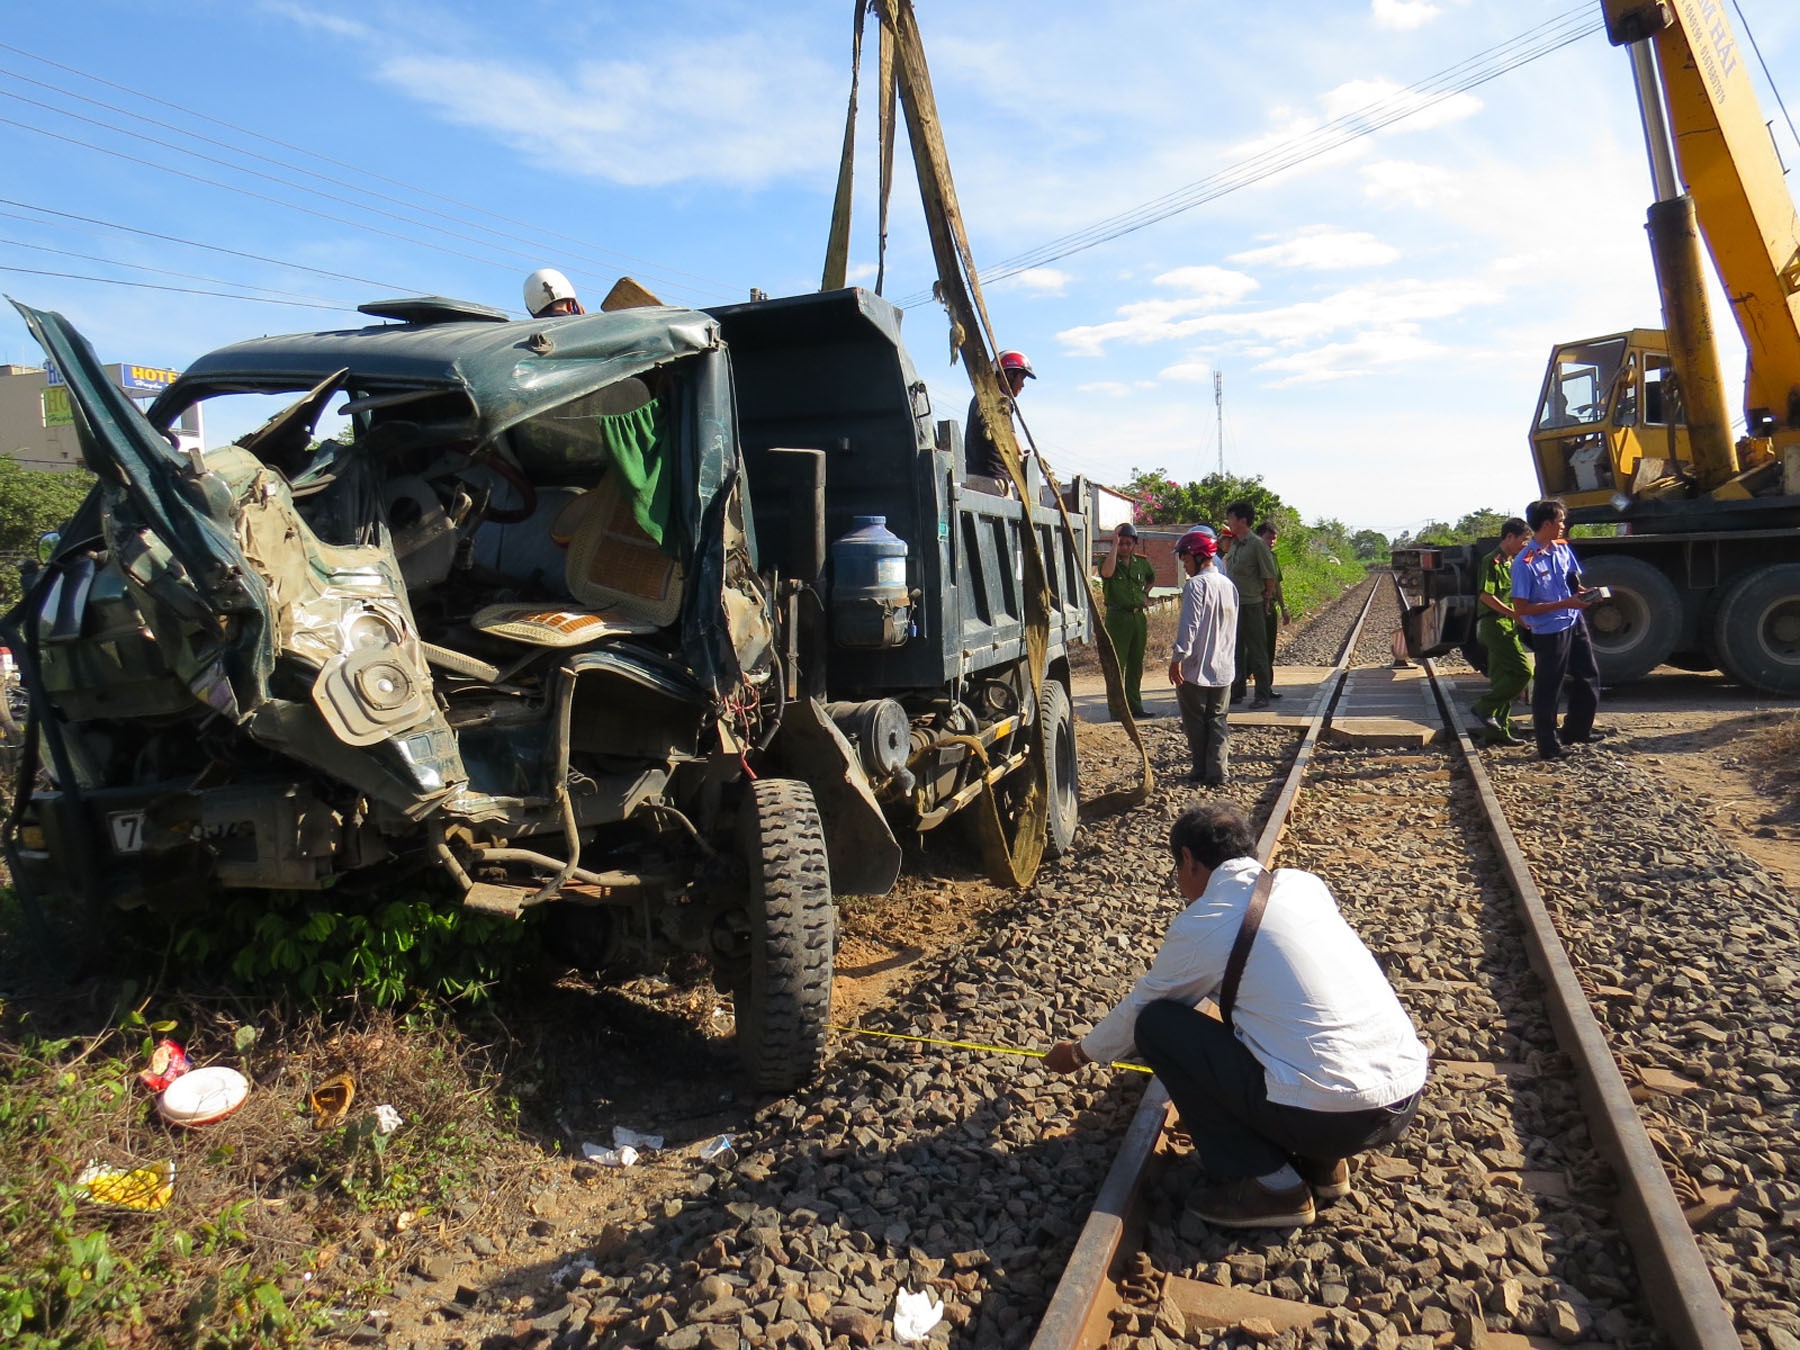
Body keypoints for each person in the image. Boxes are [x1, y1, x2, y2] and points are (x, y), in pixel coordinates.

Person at [1042, 803, 1428, 1228]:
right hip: (1403, 1097)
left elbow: (1140, 1010)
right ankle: (1323, 1165)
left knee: (1157, 1026)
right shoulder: (1304, 885)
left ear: (1188, 859)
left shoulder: (1207, 921)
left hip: (1333, 1117)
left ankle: (1274, 1187)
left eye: (1177, 868)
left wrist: (1078, 1054)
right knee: (1284, 1021)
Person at [1511, 498, 1605, 761]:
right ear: (1547, 524)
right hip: (1550, 630)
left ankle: (1577, 730)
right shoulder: (1525, 562)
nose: (1564, 525)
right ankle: (1548, 745)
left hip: (1574, 620)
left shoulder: (1563, 548)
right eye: (1560, 521)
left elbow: (1572, 583)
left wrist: (1585, 594)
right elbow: (1522, 608)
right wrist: (1565, 603)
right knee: (1549, 686)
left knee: (1588, 676)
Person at [1168, 528, 1238, 785]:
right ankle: (1218, 771)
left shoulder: (1196, 585)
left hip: (1196, 665)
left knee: (1195, 720)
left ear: (1198, 556)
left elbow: (1189, 626)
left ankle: (1200, 769)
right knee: (1218, 719)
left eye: (1185, 559)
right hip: (1223, 666)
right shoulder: (1228, 585)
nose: (1184, 565)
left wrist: (1177, 659)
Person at [1470, 518, 1533, 747]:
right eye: (1523, 540)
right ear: (1509, 537)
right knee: (1523, 673)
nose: (1525, 545)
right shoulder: (1492, 560)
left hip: (1507, 624)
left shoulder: (1511, 562)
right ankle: (1484, 707)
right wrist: (1514, 614)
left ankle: (1497, 731)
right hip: (1495, 624)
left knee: (1503, 679)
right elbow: (1486, 596)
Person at [1100, 522, 1157, 719]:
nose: (1125, 547)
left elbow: (1151, 578)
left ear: (1134, 544)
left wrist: (1145, 594)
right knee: (1117, 665)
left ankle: (1135, 706)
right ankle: (1117, 710)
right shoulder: (1108, 561)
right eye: (1121, 543)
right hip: (1117, 618)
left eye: (1128, 543)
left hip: (1137, 617)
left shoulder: (1141, 563)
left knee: (1135, 665)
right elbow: (1107, 573)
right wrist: (1114, 546)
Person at [1224, 501, 1278, 709]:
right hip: (1234, 606)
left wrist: (1266, 599)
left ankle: (1262, 694)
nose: (1229, 523)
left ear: (1242, 520)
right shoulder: (1235, 544)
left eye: (1231, 519)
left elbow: (1269, 577)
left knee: (1257, 651)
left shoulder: (1257, 545)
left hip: (1252, 604)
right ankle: (1237, 691)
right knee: (1235, 650)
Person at [963, 350, 1035, 491]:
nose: (1023, 385)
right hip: (994, 482)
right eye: (1022, 378)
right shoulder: (1001, 400)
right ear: (1010, 375)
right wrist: (1025, 460)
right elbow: (1012, 439)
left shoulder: (979, 398)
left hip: (970, 478)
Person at [1256, 520, 1291, 701]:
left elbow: (1277, 585)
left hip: (1270, 607)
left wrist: (1284, 608)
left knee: (1269, 649)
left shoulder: (1273, 557)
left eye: (1274, 538)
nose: (1272, 542)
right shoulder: (1254, 556)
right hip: (1255, 607)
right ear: (1259, 537)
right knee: (1255, 650)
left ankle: (1266, 688)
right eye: (1268, 538)